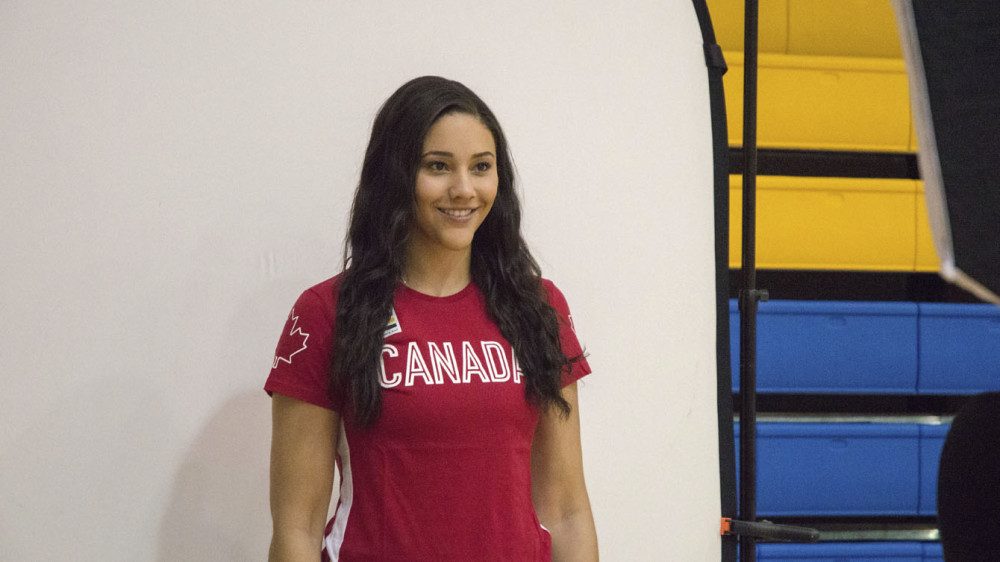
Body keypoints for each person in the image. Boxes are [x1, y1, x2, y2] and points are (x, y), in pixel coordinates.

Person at [265, 76, 598, 562]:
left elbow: (567, 510)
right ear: (396, 175)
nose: (464, 189)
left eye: (481, 167)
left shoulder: (538, 307)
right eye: (438, 166)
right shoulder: (327, 313)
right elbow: (297, 527)